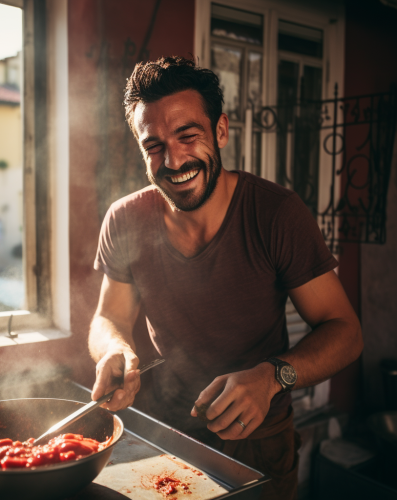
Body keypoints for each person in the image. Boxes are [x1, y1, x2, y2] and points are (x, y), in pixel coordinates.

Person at [88, 56, 363, 499]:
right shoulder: (124, 219)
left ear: (220, 131)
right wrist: (114, 350)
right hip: (164, 435)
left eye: (187, 136)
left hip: (259, 443)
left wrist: (274, 375)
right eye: (153, 145)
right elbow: (109, 318)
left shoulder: (276, 213)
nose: (173, 160)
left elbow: (346, 332)